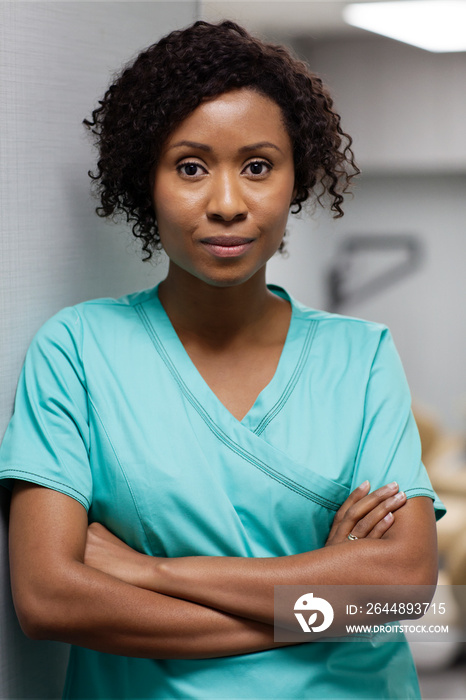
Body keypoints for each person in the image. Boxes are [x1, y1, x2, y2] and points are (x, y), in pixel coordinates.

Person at [0, 20, 445, 700]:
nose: (228, 203)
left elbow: (401, 591)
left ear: (298, 178)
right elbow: (49, 598)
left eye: (259, 166)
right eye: (190, 167)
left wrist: (152, 573)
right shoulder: (79, 352)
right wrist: (320, 589)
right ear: (143, 179)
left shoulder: (361, 358)